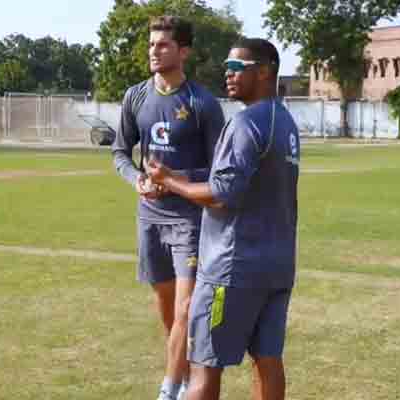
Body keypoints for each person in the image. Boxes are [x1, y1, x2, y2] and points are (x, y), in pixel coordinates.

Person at [146, 38, 300, 400]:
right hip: (277, 266)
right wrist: (184, 180)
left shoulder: (246, 124)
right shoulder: (286, 122)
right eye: (226, 68)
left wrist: (168, 181)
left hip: (231, 268)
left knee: (203, 367)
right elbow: (243, 184)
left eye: (236, 69)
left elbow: (221, 194)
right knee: (268, 361)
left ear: (264, 72)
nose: (227, 75)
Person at [111, 15, 225, 400]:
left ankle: (169, 390)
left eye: (162, 45)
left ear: (183, 51)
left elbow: (217, 170)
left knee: (185, 311)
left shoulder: (202, 103)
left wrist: (174, 177)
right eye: (151, 45)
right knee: (168, 313)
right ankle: (182, 370)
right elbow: (120, 153)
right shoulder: (135, 97)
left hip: (190, 222)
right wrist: (138, 180)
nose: (154, 52)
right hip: (149, 220)